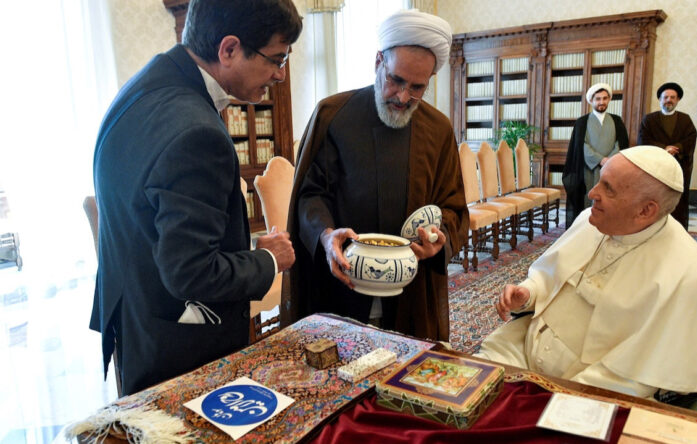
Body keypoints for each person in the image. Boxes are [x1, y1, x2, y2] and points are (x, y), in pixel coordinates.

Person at [91, 0, 301, 396]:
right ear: (228, 49)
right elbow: (190, 272)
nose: (280, 73)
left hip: (135, 314)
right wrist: (268, 259)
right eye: (276, 58)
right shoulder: (197, 134)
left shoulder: (143, 84)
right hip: (180, 344)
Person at [477, 146, 697, 399]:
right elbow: (549, 275)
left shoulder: (690, 277)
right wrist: (529, 293)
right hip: (519, 348)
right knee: (465, 390)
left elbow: (630, 377)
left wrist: (561, 398)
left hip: (589, 387)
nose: (592, 193)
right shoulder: (592, 219)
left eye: (608, 188)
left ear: (645, 210)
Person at [283, 10, 469, 341]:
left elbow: (453, 209)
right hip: (341, 284)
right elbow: (311, 195)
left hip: (411, 293)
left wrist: (438, 241)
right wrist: (326, 236)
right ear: (378, 61)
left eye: (417, 88)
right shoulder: (333, 116)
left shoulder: (439, 131)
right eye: (396, 80)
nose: (403, 97)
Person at [563, 83, 629, 228]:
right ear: (591, 101)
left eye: (605, 98)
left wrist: (610, 160)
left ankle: (609, 227)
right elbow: (581, 145)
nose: (601, 102)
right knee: (589, 198)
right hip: (589, 168)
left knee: (610, 198)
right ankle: (587, 228)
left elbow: (621, 143)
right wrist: (601, 159)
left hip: (612, 168)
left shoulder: (617, 121)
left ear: (609, 100)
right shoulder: (582, 122)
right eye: (598, 99)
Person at [637, 82, 697, 230]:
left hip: (679, 167)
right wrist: (663, 148)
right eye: (665, 97)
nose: (668, 100)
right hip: (655, 168)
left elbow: (690, 139)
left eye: (672, 97)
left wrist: (676, 148)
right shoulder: (649, 120)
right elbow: (643, 141)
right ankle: (652, 228)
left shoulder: (685, 120)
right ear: (660, 99)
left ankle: (678, 231)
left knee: (677, 200)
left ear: (677, 100)